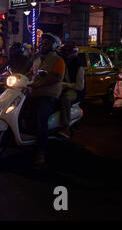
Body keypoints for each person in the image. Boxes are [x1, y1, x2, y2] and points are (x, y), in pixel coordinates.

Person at [30, 33, 66, 166]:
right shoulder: (37, 59)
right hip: (33, 92)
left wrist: (39, 84)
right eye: (42, 42)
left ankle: (41, 152)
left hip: (48, 95)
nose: (43, 44)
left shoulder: (58, 60)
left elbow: (57, 78)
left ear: (54, 45)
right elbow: (30, 73)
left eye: (47, 43)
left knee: (41, 120)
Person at [58, 42, 85, 138]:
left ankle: (66, 127)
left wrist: (65, 85)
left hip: (75, 91)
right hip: (62, 87)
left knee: (65, 98)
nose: (64, 54)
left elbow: (80, 86)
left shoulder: (79, 66)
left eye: (66, 52)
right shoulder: (62, 63)